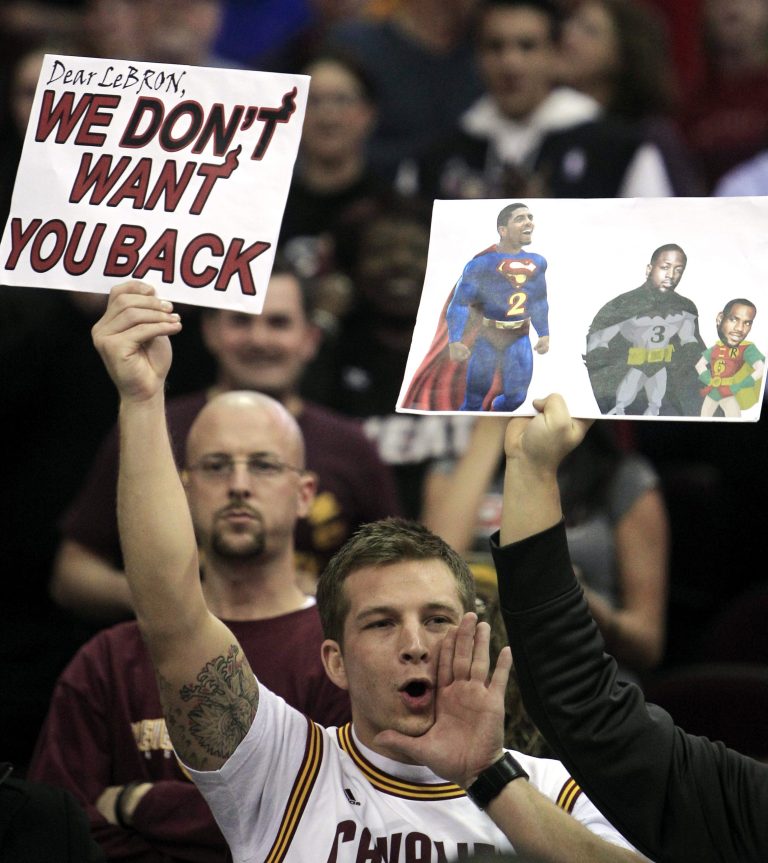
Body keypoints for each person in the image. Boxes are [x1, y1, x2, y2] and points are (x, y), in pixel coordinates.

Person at [90, 279, 645, 861]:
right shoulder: (280, 771)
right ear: (335, 661)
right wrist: (142, 399)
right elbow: (172, 614)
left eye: (437, 619)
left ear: (476, 637)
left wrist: (488, 777)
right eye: (381, 623)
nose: (414, 645)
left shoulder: (555, 789)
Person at [28, 389, 351, 862]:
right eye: (216, 466)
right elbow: (52, 831)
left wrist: (141, 804)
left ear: (304, 494)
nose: (238, 485)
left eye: (263, 465)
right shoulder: (107, 662)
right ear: (183, 490)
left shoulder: (341, 655)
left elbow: (339, 825)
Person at [491, 393, 768, 863]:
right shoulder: (752, 808)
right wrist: (531, 469)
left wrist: (532, 471)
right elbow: (587, 710)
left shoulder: (625, 482)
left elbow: (587, 709)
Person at [51, 261, 400, 619]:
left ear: (310, 339)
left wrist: (322, 597)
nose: (259, 339)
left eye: (278, 323)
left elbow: (397, 575)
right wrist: (180, 600)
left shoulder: (351, 446)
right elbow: (73, 574)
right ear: (211, 331)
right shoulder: (151, 425)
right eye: (241, 321)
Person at [423, 416, 668, 679]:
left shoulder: (623, 477)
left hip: (581, 670)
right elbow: (433, 576)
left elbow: (647, 645)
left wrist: (580, 603)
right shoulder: (452, 471)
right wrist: (492, 425)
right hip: (479, 668)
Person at [412, 0, 675, 202]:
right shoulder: (437, 157)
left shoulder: (619, 150)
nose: (510, 64)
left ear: (556, 53)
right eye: (495, 46)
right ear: (476, 57)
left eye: (527, 46)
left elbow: (654, 237)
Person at [402, 202, 548, 414]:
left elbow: (539, 301)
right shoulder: (481, 264)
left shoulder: (537, 262)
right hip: (488, 337)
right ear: (503, 230)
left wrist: (544, 333)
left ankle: (491, 420)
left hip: (518, 337)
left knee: (516, 397)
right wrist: (454, 341)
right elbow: (460, 303)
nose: (528, 223)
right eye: (520, 218)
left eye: (530, 217)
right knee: (473, 400)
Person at [585, 243, 704, 416]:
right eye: (665, 267)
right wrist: (606, 394)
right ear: (649, 269)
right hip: (629, 375)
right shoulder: (622, 304)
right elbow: (597, 348)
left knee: (659, 407)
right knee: (620, 407)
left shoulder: (685, 307)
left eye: (678, 270)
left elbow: (692, 347)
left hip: (665, 382)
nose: (671, 275)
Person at [696, 298, 764, 417]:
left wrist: (739, 386)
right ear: (720, 319)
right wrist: (709, 381)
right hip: (713, 392)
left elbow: (761, 368)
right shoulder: (716, 347)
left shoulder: (746, 348)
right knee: (704, 417)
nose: (740, 328)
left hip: (729, 393)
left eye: (747, 323)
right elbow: (699, 365)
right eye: (733, 319)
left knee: (734, 418)